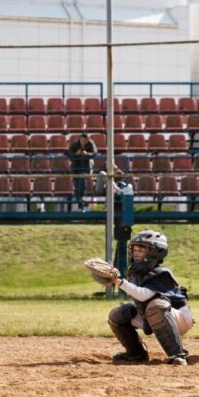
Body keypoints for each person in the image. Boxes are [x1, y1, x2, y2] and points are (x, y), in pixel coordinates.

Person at [108, 229, 194, 365]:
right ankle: (136, 353)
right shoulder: (137, 273)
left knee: (156, 306)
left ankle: (177, 355)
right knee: (118, 314)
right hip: (152, 315)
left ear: (156, 252)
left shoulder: (161, 274)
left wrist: (119, 282)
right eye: (135, 249)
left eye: (141, 250)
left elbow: (145, 295)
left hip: (178, 318)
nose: (136, 253)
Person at [67, 133, 97, 211]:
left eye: (85, 141)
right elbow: (69, 154)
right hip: (75, 168)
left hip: (85, 168)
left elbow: (94, 153)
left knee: (82, 183)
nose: (83, 142)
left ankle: (82, 202)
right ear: (80, 139)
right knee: (77, 187)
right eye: (82, 140)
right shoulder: (75, 144)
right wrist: (76, 154)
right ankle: (80, 204)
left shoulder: (91, 144)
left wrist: (87, 154)